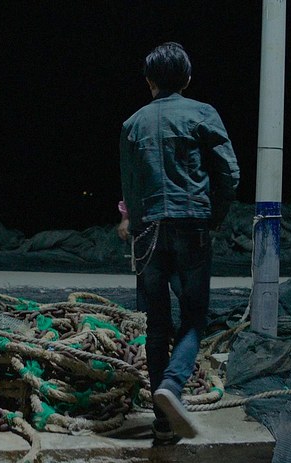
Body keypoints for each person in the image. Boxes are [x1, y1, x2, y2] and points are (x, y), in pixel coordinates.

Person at [119, 42, 240, 442]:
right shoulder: (203, 114)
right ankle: (172, 384)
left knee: (157, 325)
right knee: (193, 318)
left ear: (148, 81)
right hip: (192, 226)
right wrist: (213, 216)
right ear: (187, 79)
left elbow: (130, 187)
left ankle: (163, 422)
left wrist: (135, 224)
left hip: (148, 231)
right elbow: (229, 175)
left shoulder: (132, 124)